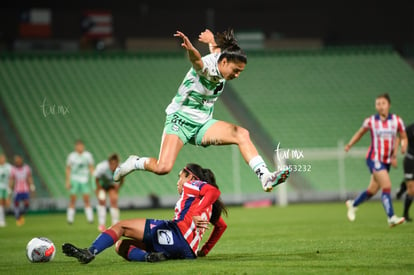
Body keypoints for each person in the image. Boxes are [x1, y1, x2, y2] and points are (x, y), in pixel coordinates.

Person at [114, 28, 290, 192]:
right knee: (163, 168)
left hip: (203, 124)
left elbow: (216, 50)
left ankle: (265, 176)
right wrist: (191, 49)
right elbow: (197, 61)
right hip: (180, 119)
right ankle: (134, 162)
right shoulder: (207, 68)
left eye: (240, 72)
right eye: (236, 71)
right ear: (225, 62)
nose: (237, 75)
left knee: (241, 134)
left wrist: (211, 39)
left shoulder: (222, 59)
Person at [62, 163, 227, 263]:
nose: (178, 182)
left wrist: (197, 212)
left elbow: (213, 191)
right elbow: (221, 226)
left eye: (180, 177)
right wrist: (204, 251)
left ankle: (90, 251)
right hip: (187, 252)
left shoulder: (193, 185)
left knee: (121, 227)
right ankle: (150, 257)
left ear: (190, 177)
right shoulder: (210, 206)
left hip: (175, 234)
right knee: (121, 246)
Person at [344, 93, 407, 227]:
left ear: (388, 105)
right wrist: (350, 144)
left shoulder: (396, 121)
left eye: (383, 103)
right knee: (387, 186)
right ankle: (391, 217)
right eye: (378, 104)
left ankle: (352, 204)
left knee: (372, 190)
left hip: (386, 161)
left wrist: (401, 148)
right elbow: (360, 133)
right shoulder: (371, 121)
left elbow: (402, 137)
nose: (380, 106)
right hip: (374, 158)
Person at [66, 139, 95, 224]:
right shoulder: (72, 156)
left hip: (84, 179)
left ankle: (90, 218)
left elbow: (91, 167)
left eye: (81, 146)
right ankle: (70, 219)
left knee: (86, 199)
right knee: (73, 199)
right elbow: (68, 169)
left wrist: (93, 178)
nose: (80, 147)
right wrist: (67, 181)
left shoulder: (88, 155)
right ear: (76, 147)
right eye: (78, 146)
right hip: (74, 179)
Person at [94, 153, 124, 232]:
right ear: (109, 163)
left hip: (111, 185)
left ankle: (115, 223)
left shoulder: (121, 168)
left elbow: (123, 179)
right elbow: (96, 179)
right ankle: (101, 224)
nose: (113, 166)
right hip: (101, 185)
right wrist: (99, 189)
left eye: (115, 164)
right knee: (102, 200)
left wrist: (118, 187)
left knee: (114, 200)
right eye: (112, 164)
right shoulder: (102, 167)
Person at [9, 155, 35, 226]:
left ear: (21, 160)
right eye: (16, 161)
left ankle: (20, 214)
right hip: (17, 190)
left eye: (18, 160)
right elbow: (12, 179)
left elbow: (29, 177)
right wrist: (10, 188)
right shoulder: (13, 169)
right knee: (16, 203)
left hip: (25, 189)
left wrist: (32, 186)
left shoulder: (26, 168)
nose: (17, 162)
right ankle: (18, 218)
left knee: (26, 204)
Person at [398, 122, 414, 221]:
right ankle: (405, 214)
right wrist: (403, 146)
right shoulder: (411, 128)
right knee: (412, 190)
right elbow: (401, 137)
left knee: (411, 187)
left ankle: (404, 186)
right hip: (410, 160)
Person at [0, 154, 12, 227]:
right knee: (1, 203)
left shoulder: (8, 167)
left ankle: (2, 219)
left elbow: (12, 177)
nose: (2, 159)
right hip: (0, 187)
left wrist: (10, 188)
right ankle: (1, 220)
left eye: (3, 158)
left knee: (7, 204)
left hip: (6, 187)